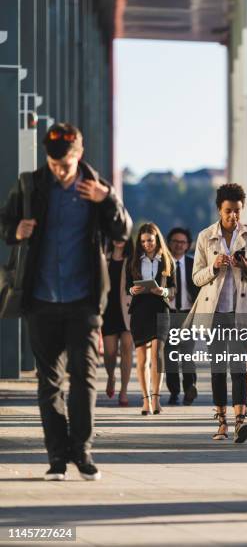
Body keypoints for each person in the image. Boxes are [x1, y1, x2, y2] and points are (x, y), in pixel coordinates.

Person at [0, 123, 132, 481]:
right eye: (54, 163)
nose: (60, 170)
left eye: (66, 164)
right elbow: (4, 222)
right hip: (40, 299)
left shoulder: (96, 189)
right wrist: (15, 232)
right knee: (49, 382)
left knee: (85, 379)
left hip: (84, 302)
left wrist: (108, 199)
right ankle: (57, 458)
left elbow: (123, 231)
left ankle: (83, 451)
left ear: (79, 154)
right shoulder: (30, 185)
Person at [186, 183, 247, 442]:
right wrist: (214, 267)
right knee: (218, 366)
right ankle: (221, 422)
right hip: (216, 310)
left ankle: (240, 422)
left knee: (238, 365)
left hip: (242, 310)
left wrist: (246, 267)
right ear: (219, 210)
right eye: (229, 211)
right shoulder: (205, 236)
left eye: (238, 211)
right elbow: (196, 278)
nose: (234, 216)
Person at [127, 222, 176, 415]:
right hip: (140, 311)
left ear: (157, 240)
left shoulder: (166, 260)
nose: (147, 244)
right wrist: (133, 290)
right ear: (140, 242)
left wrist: (161, 290)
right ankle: (145, 400)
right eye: (144, 241)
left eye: (151, 240)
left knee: (157, 354)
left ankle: (156, 399)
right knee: (142, 358)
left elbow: (173, 289)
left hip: (160, 310)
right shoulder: (134, 261)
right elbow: (126, 288)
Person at [165, 227, 199, 405]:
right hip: (167, 314)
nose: (179, 245)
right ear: (169, 243)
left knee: (187, 354)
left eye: (183, 242)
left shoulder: (194, 264)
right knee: (170, 355)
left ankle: (189, 388)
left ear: (188, 245)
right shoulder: (162, 264)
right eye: (175, 242)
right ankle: (174, 391)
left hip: (188, 314)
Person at [102, 238, 134, 407]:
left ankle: (124, 390)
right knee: (110, 352)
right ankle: (111, 376)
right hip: (108, 310)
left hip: (127, 310)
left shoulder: (133, 260)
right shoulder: (102, 257)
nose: (118, 239)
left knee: (127, 348)